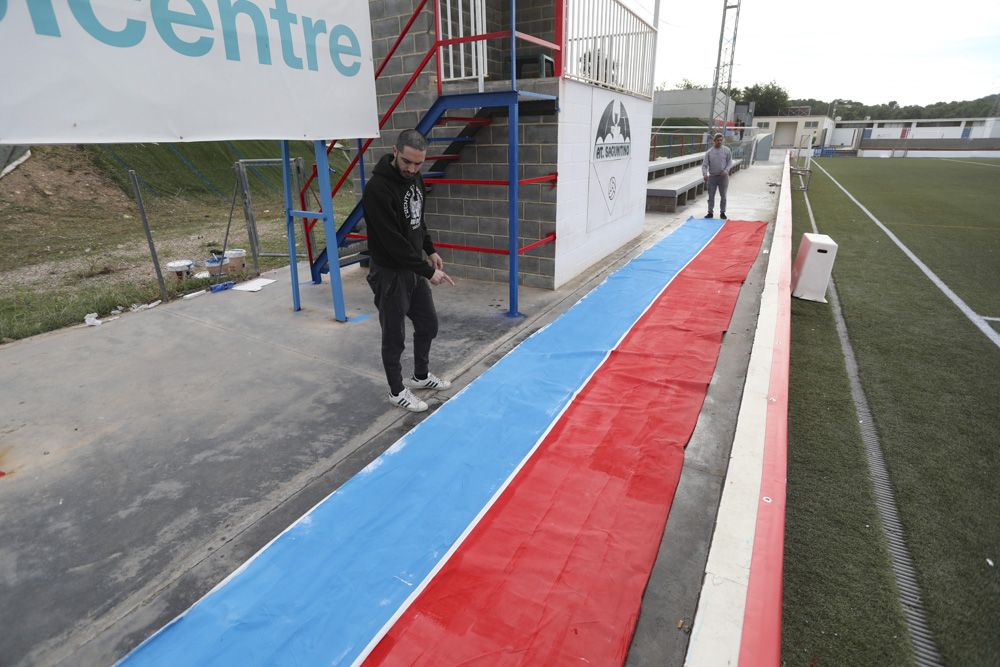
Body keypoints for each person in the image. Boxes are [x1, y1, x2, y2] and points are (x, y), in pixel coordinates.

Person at [362, 129, 455, 413]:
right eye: (407, 162)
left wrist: (431, 249)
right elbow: (393, 243)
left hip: (413, 268)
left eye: (418, 164)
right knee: (394, 336)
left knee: (428, 325)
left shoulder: (414, 178)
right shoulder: (377, 190)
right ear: (395, 151)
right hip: (390, 272)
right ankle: (396, 390)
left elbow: (418, 222)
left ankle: (420, 376)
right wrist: (428, 272)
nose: (412, 169)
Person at [701, 132, 733, 219]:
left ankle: (722, 212)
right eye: (718, 140)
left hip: (723, 177)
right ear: (713, 141)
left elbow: (730, 162)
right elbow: (704, 165)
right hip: (713, 177)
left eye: (721, 140)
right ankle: (710, 212)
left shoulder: (727, 150)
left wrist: (726, 170)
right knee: (711, 195)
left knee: (723, 195)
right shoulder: (709, 152)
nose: (719, 142)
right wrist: (705, 174)